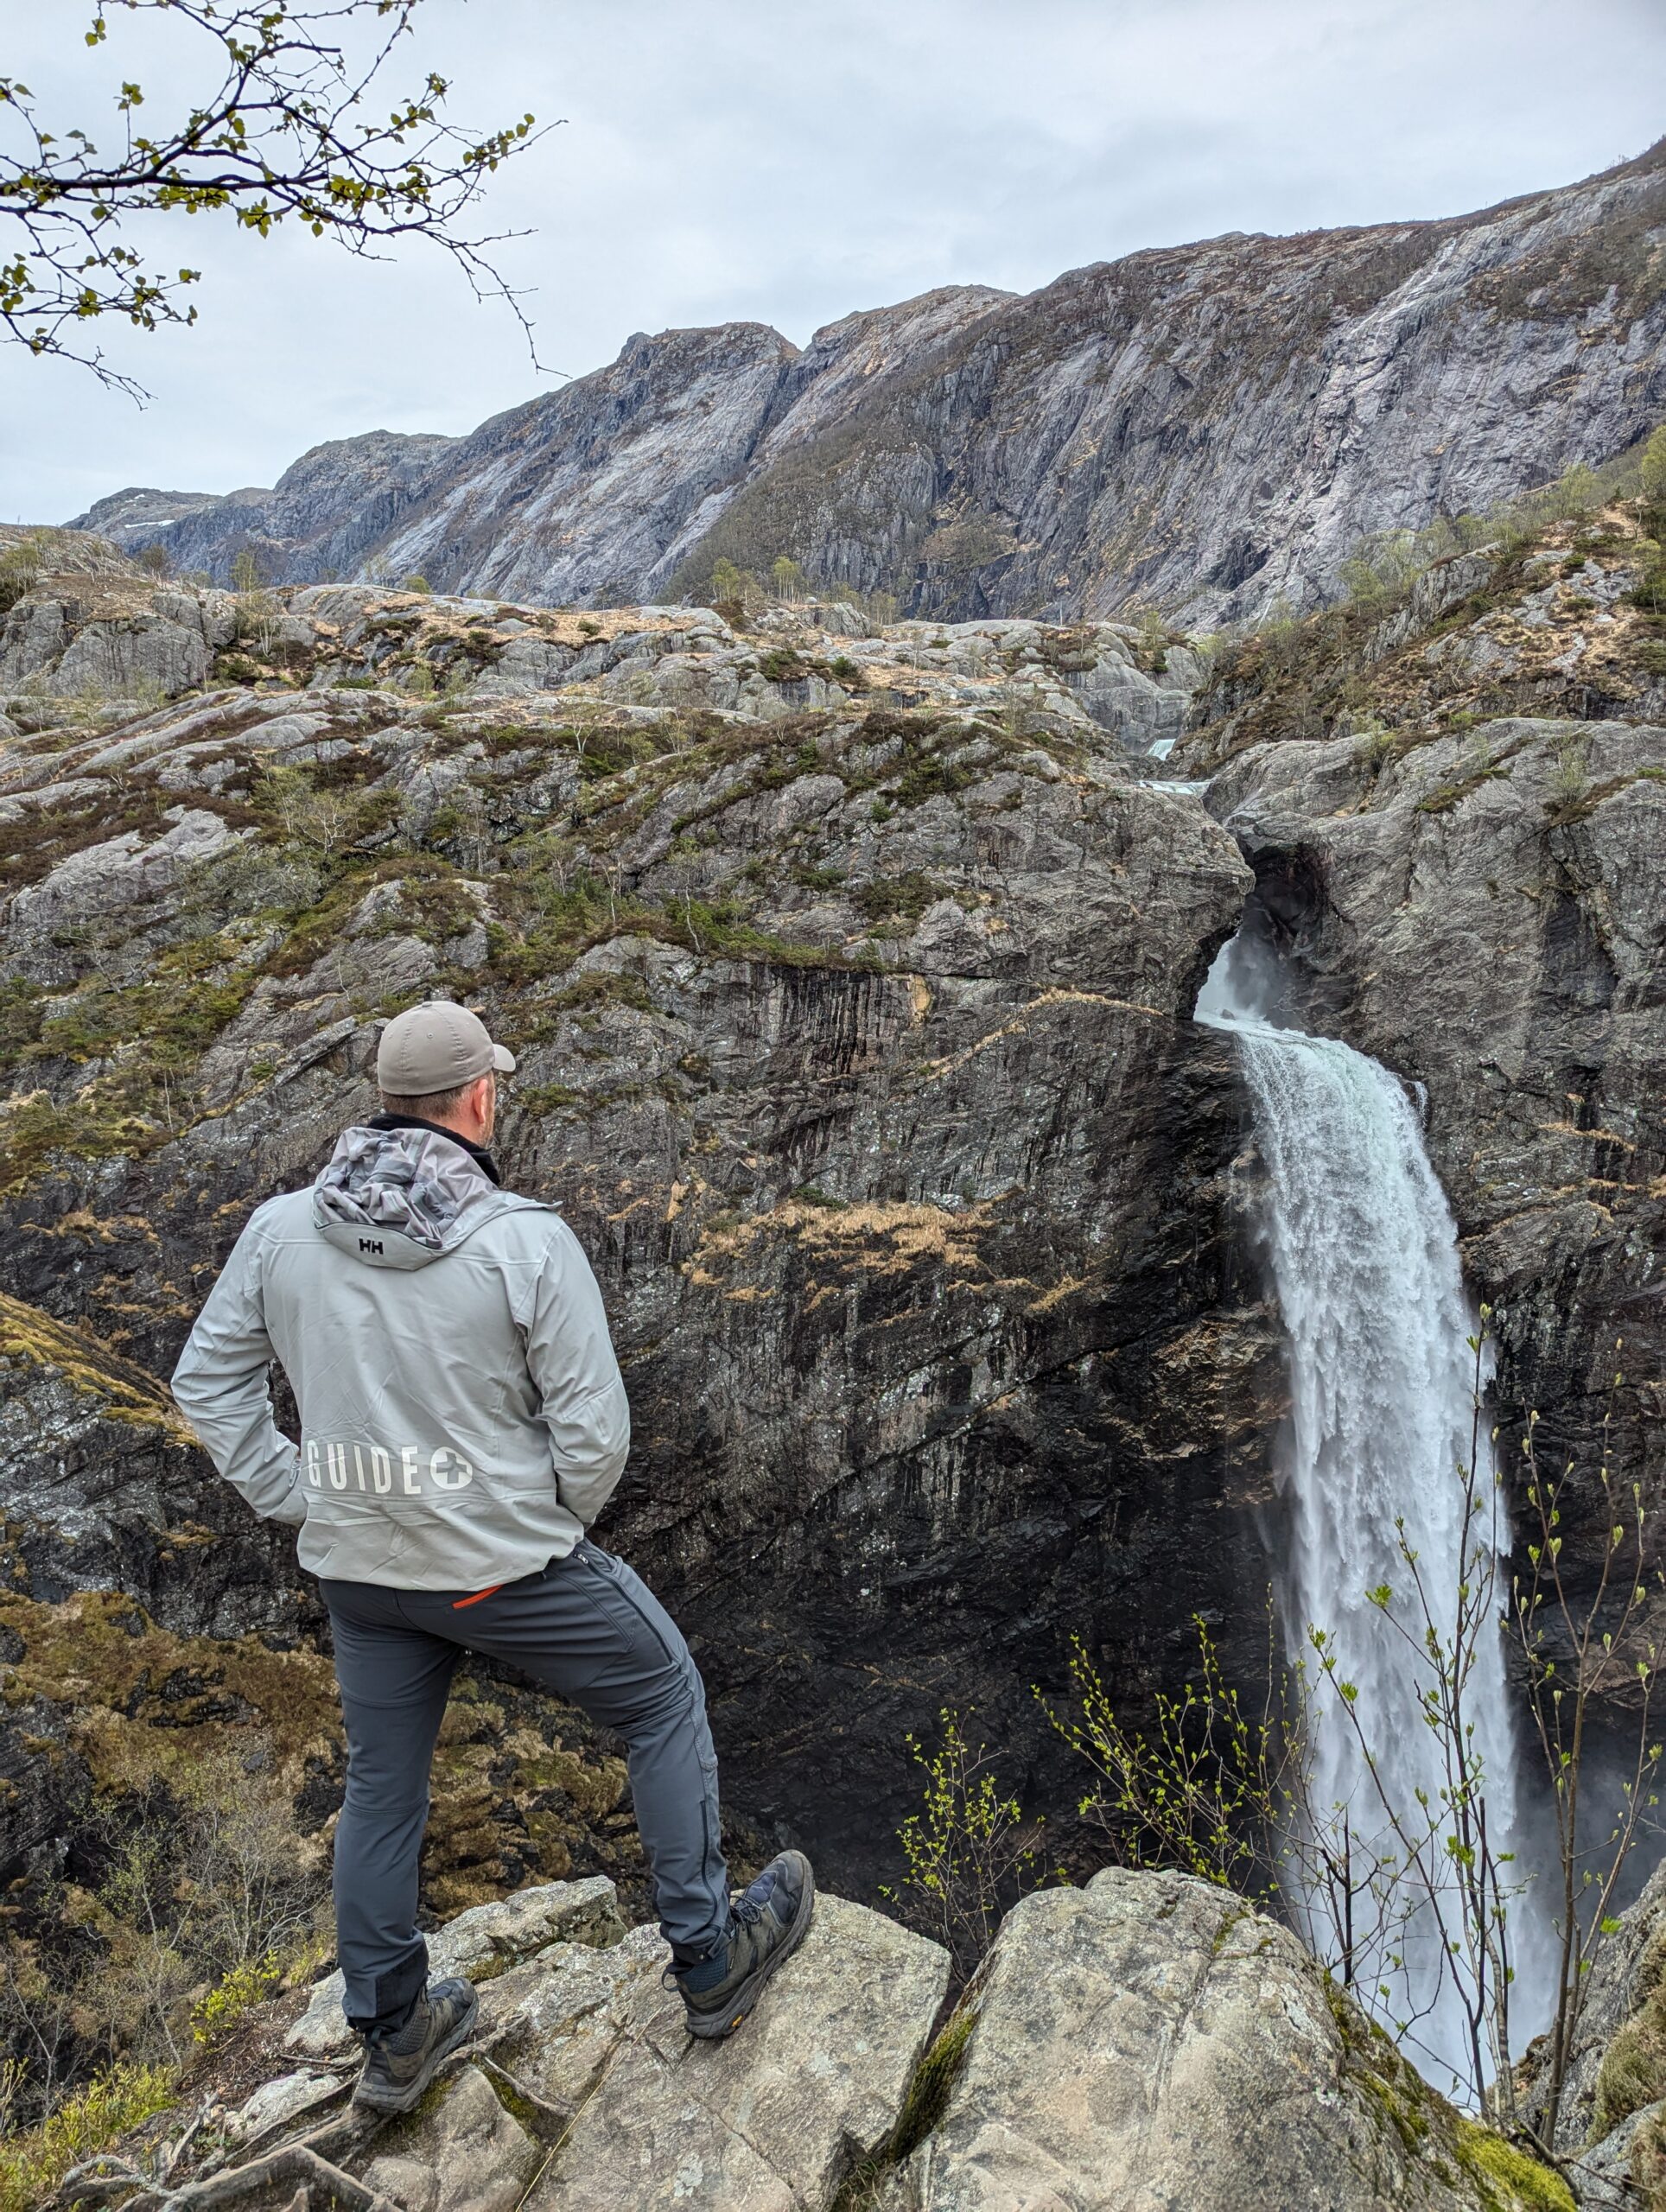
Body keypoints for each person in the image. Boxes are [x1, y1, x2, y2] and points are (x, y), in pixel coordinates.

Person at [171, 1000, 813, 2112]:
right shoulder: (521, 1239)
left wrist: (299, 1495)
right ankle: (711, 1960)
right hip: (500, 1569)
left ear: (383, 1100)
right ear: (478, 1098)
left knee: (382, 1787)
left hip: (362, 1574)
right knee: (660, 1694)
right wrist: (540, 1521)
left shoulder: (280, 1231)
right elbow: (595, 1431)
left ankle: (392, 2028)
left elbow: (206, 1386)